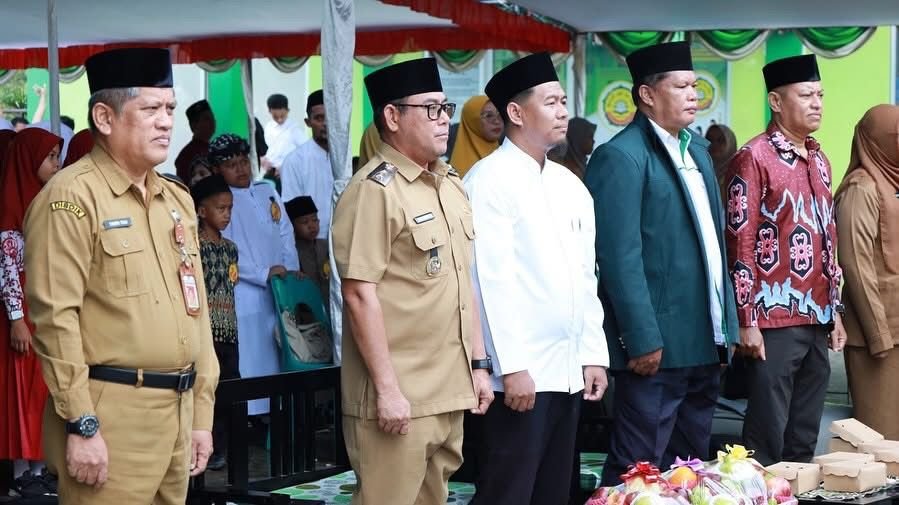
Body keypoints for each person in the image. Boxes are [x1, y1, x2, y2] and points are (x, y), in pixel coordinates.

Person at [23, 47, 219, 504]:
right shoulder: (71, 198)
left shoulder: (176, 199)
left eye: (170, 109)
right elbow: (55, 320)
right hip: (111, 417)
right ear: (104, 118)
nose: (166, 122)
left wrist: (201, 414)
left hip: (177, 411)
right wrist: (81, 422)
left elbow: (198, 312)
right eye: (150, 109)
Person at [331, 57, 493, 505]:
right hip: (400, 395)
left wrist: (479, 365)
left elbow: (463, 282)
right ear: (392, 116)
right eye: (431, 109)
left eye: (446, 108)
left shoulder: (449, 183)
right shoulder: (373, 191)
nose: (444, 121)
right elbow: (358, 294)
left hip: (448, 388)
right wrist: (387, 391)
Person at [585, 42, 738, 486]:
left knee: (688, 472)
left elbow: (715, 248)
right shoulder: (622, 155)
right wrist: (641, 338)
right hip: (657, 347)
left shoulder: (698, 152)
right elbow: (618, 256)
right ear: (647, 95)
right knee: (637, 472)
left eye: (695, 85)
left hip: (703, 342)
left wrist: (726, 328)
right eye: (681, 86)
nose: (694, 94)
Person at [465, 53, 609, 505]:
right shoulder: (488, 180)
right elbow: (488, 281)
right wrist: (510, 367)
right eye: (551, 102)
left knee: (554, 491)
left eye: (563, 101)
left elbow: (586, 277)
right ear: (516, 112)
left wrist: (592, 353)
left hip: (567, 368)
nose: (563, 111)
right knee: (509, 490)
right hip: (521, 374)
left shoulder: (569, 185)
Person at [723, 54, 845, 466]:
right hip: (772, 317)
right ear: (776, 101)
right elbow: (740, 241)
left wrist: (835, 311)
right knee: (767, 432)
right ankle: (761, 493)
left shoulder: (820, 159)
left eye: (820, 95)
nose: (817, 103)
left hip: (817, 314)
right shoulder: (753, 156)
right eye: (806, 95)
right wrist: (746, 320)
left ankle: (800, 493)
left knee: (805, 430)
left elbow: (827, 237)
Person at [212, 133, 298, 415]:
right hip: (245, 293)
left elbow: (285, 232)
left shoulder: (267, 191)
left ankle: (275, 414)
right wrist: (262, 272)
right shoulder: (222, 202)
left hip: (280, 290)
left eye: (243, 162)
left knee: (280, 355)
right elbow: (229, 249)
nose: (240, 169)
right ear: (218, 169)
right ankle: (251, 418)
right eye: (231, 165)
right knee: (252, 360)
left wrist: (291, 270)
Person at [1, 127, 62, 496]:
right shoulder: (11, 212)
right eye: (50, 157)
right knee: (23, 392)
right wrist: (16, 319)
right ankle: (24, 471)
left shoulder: (47, 203)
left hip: (44, 310)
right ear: (28, 161)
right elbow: (7, 271)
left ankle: (40, 467)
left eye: (57, 156)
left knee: (41, 390)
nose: (57, 164)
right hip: (24, 314)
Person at [835, 105, 899, 440]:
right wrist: (878, 336)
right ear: (878, 142)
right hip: (880, 338)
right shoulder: (861, 189)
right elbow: (855, 264)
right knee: (883, 440)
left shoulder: (892, 186)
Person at [190, 174, 240, 471]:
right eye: (221, 208)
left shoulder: (231, 248)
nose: (227, 214)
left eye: (230, 208)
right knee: (205, 390)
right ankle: (206, 448)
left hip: (229, 330)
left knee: (229, 391)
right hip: (203, 332)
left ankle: (226, 448)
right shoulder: (194, 246)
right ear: (201, 210)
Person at [281, 90, 334, 240]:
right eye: (319, 118)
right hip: (312, 242)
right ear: (308, 122)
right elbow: (293, 209)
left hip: (346, 239)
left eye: (330, 117)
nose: (325, 123)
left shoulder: (344, 159)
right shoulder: (295, 161)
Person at [286, 196, 330, 309]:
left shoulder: (326, 246)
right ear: (292, 226)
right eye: (304, 222)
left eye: (314, 220)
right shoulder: (291, 252)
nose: (311, 226)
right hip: (307, 310)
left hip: (329, 304)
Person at [449, 95, 503, 177]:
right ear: (472, 121)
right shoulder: (458, 172)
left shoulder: (508, 155)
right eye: (488, 115)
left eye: (500, 114)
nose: (497, 121)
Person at [261, 93, 306, 173]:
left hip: (287, 172)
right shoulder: (268, 127)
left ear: (288, 111)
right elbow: (269, 148)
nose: (279, 120)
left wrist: (286, 167)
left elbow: (305, 154)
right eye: (275, 116)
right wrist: (263, 159)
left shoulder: (295, 130)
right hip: (270, 171)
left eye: (282, 116)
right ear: (269, 111)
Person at [175, 99, 215, 183]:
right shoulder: (186, 155)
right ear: (194, 125)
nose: (212, 121)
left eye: (212, 118)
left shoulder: (214, 149)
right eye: (206, 119)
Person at [547, 116, 597, 181]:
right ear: (578, 138)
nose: (593, 141)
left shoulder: (583, 167)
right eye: (590, 137)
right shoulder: (560, 168)